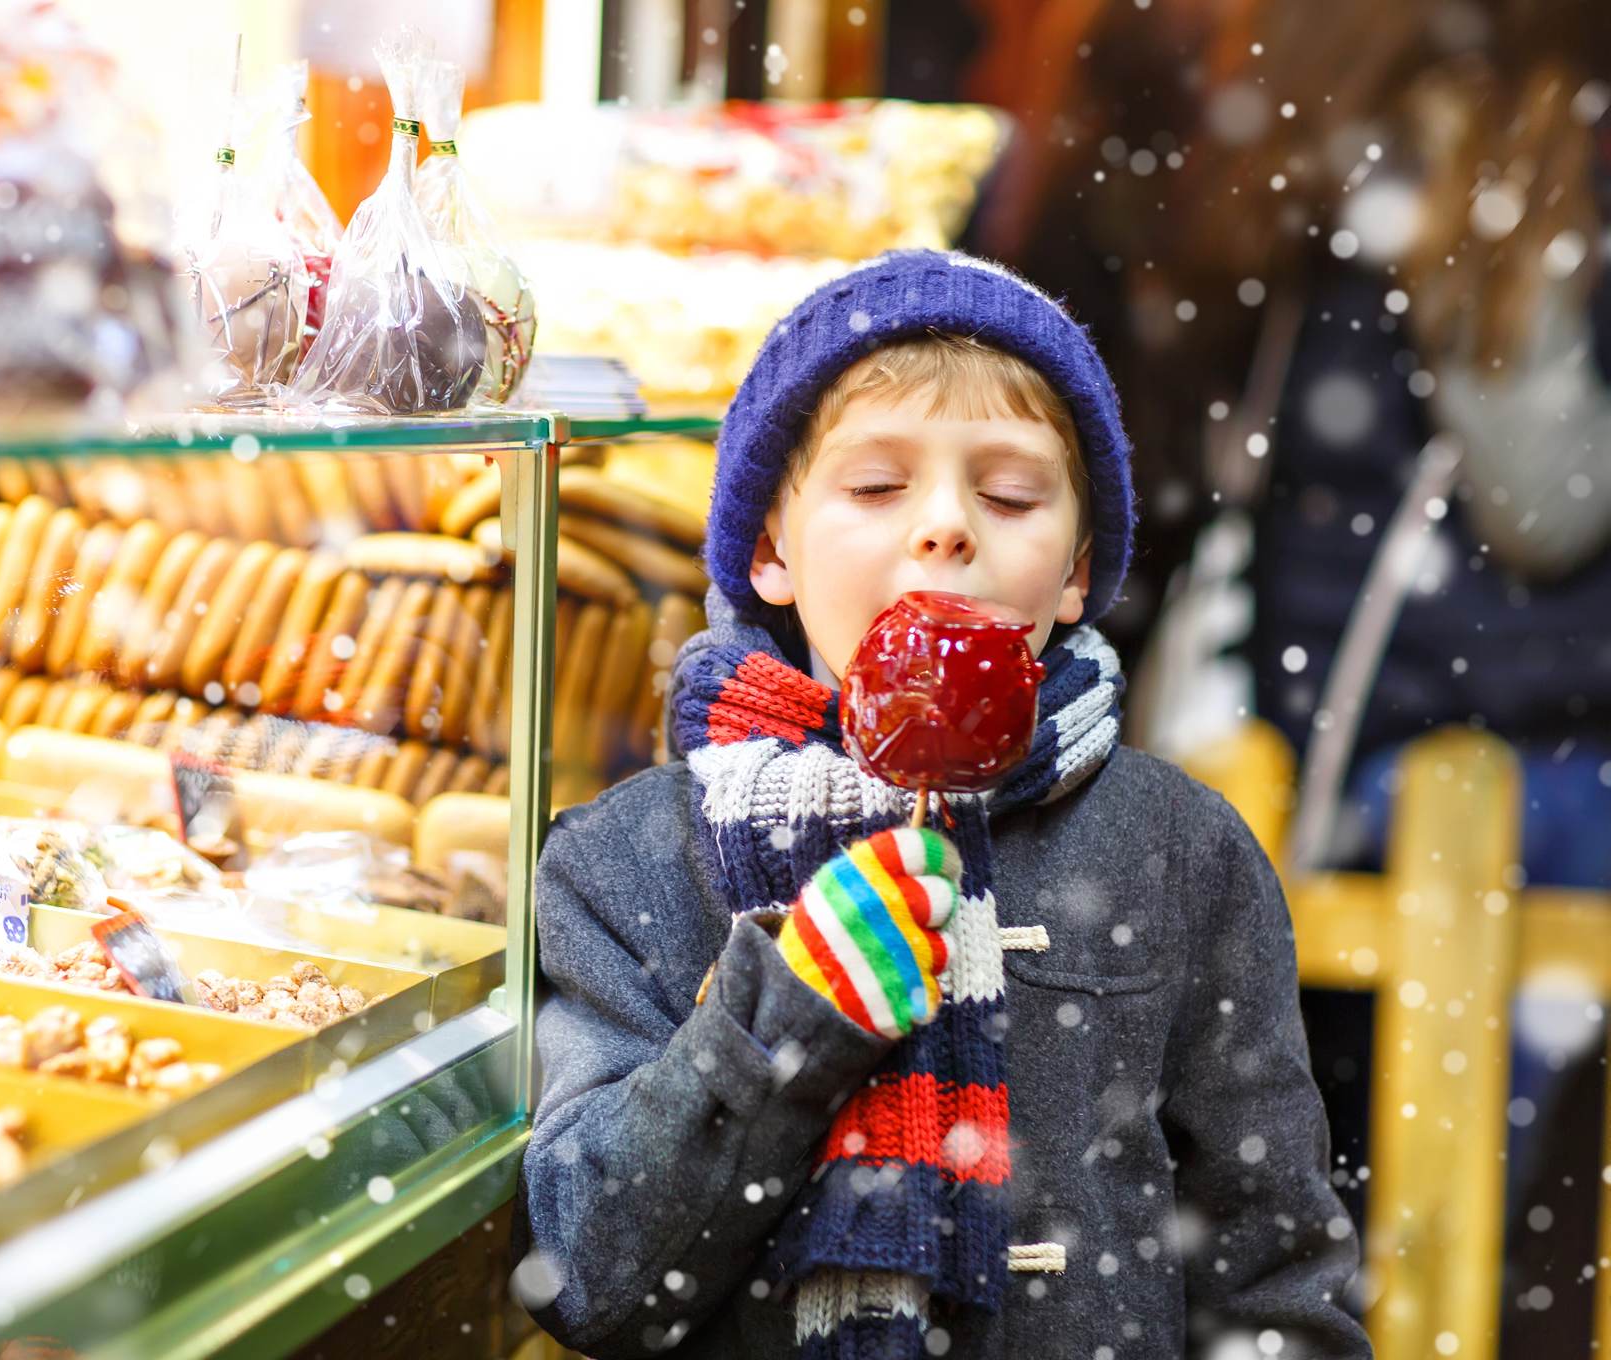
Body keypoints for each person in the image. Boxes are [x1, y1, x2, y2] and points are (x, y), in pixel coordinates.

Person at [512, 250, 1371, 1358]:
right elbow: (591, 1279)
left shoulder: (1177, 850)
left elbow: (1274, 1266)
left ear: (1073, 571)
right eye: (875, 486)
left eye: (1009, 493)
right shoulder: (624, 861)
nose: (944, 526)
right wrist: (786, 1016)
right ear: (770, 547)